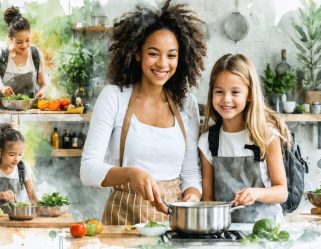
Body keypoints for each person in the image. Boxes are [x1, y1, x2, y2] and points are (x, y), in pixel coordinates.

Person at [80, 0, 206, 225]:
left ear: (182, 57)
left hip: (172, 220)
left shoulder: (186, 104)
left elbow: (190, 173)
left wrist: (192, 195)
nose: (163, 64)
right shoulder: (114, 97)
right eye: (154, 53)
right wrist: (131, 174)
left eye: (171, 55)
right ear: (138, 53)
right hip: (122, 219)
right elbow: (88, 170)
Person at [199, 54, 290, 223]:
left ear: (249, 95)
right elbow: (208, 200)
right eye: (219, 91)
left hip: (267, 231)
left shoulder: (266, 136)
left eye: (235, 92)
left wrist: (256, 193)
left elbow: (282, 192)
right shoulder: (207, 142)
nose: (226, 99)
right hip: (226, 232)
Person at [0, 6, 48, 98]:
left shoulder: (35, 55)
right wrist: (2, 88)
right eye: (19, 42)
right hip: (5, 109)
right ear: (10, 39)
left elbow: (43, 84)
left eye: (27, 40)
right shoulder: (2, 55)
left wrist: (42, 91)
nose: (24, 45)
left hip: (31, 110)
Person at [0, 123, 38, 205]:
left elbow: (31, 194)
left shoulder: (23, 167)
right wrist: (1, 195)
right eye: (12, 155)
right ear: (0, 152)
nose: (16, 159)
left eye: (20, 154)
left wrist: (43, 210)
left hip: (19, 215)